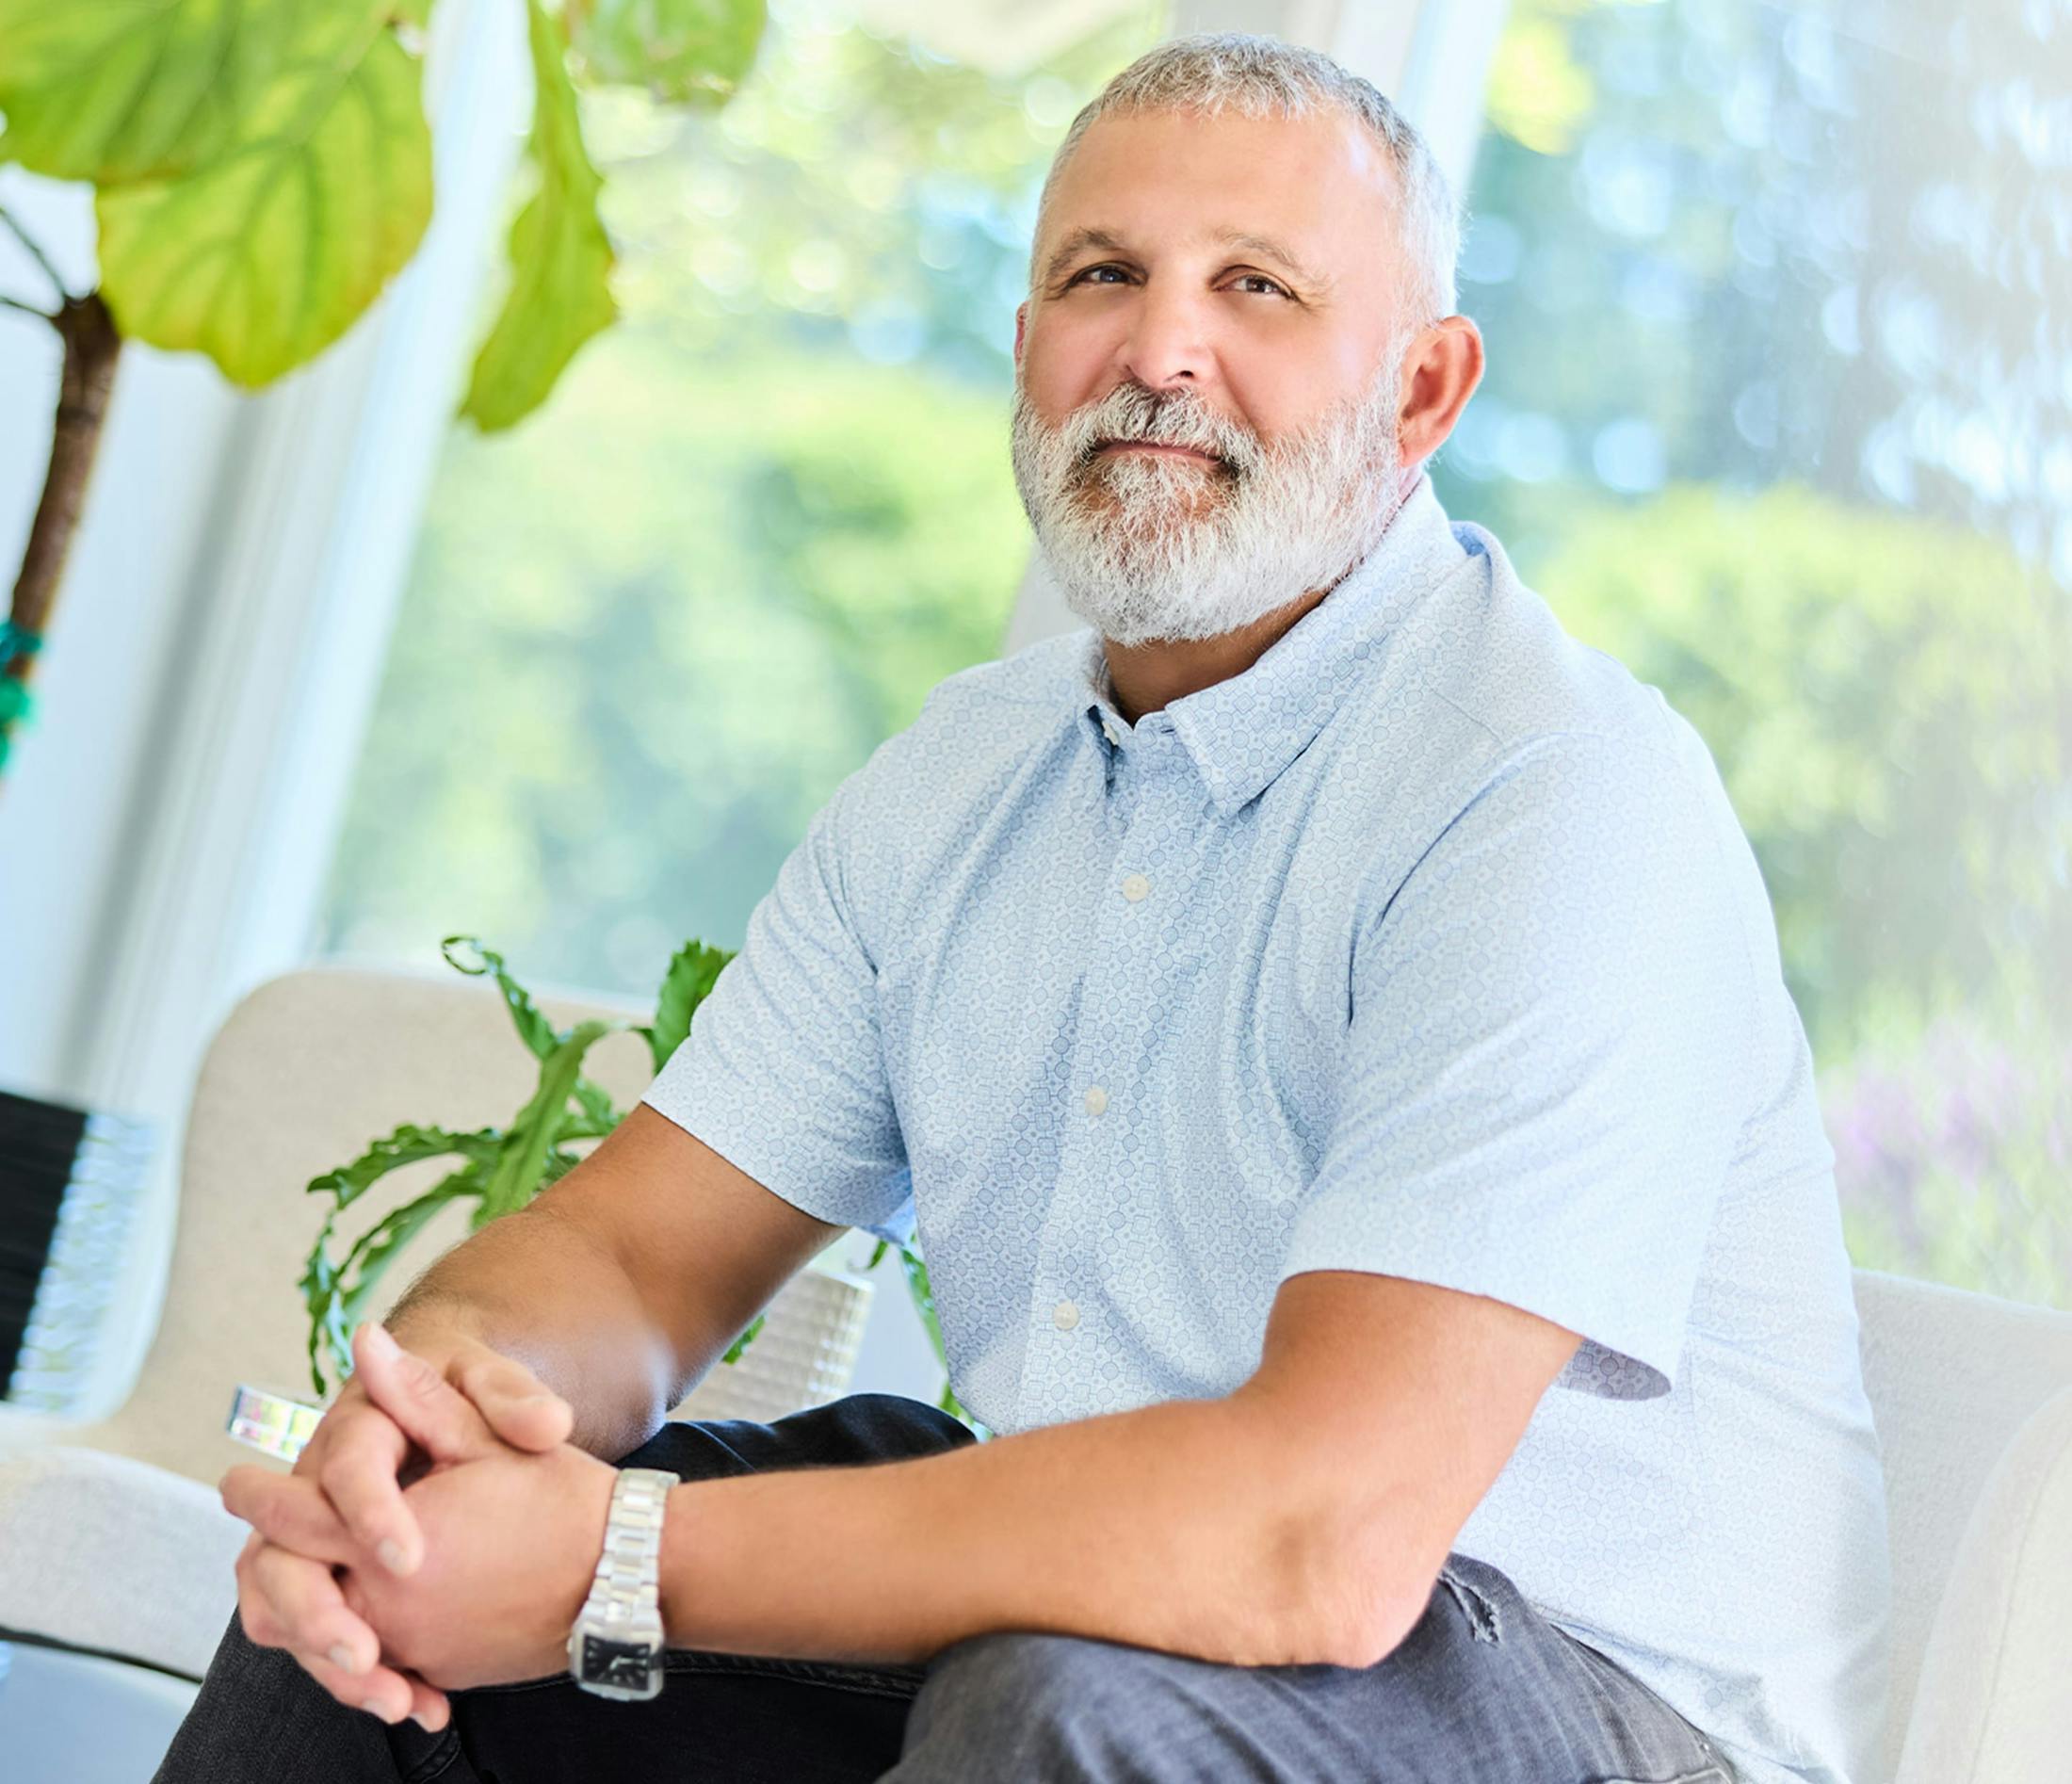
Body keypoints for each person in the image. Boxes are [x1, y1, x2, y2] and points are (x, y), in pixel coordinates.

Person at [156, 30, 1892, 1784]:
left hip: (1568, 1699)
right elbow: (627, 1255)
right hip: (1090, 1617)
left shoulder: (1554, 790)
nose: (1161, 351)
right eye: (1102, 276)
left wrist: (614, 1558)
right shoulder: (960, 781)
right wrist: (430, 1416)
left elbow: (1323, 1535)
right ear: (1028, 353)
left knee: (1054, 1697)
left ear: (1423, 394)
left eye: (1259, 288)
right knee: (394, 1574)